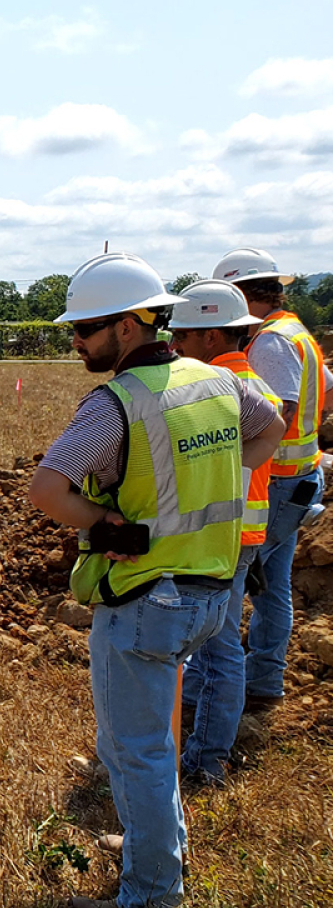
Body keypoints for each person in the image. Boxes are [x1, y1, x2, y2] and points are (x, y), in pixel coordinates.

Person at [27, 253, 282, 908]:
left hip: (147, 600)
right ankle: (155, 843)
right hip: (214, 593)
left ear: (133, 325)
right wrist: (227, 478)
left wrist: (104, 526)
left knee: (132, 751)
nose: (76, 341)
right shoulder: (216, 380)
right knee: (149, 744)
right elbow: (274, 428)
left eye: (86, 328)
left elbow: (46, 489)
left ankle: (149, 899)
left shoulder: (116, 404)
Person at [167, 280, 285, 784]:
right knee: (212, 645)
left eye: (183, 338)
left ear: (212, 337)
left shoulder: (209, 392)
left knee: (217, 651)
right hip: (244, 534)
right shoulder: (259, 387)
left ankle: (208, 761)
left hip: (220, 537)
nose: (174, 348)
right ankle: (197, 721)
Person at [212, 248, 329, 712]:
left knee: (236, 585)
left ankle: (231, 691)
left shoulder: (271, 342)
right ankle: (263, 683)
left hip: (277, 482)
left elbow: (275, 416)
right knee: (273, 587)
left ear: (242, 294)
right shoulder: (299, 333)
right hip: (298, 477)